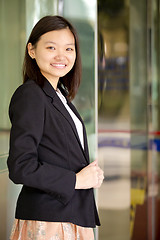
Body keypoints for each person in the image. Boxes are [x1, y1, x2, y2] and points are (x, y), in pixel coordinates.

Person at [7, 15, 104, 240]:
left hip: (68, 216)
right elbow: (21, 165)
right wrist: (77, 180)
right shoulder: (31, 95)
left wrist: (88, 175)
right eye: (51, 47)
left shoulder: (58, 94)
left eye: (69, 49)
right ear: (31, 50)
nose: (61, 56)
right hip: (50, 221)